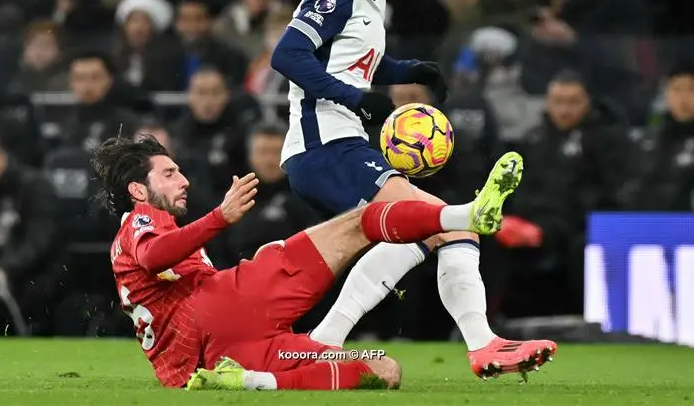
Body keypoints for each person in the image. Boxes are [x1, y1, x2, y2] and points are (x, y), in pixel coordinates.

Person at [270, 0, 556, 379]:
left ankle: (327, 340)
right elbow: (289, 54)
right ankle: (477, 331)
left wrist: (408, 70)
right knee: (436, 221)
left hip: (344, 147)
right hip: (324, 149)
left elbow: (353, 60)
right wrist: (355, 99)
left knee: (441, 231)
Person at [94, 135, 534, 390]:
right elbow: (153, 257)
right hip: (226, 307)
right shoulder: (142, 219)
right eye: (169, 173)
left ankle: (247, 382)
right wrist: (220, 217)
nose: (183, 179)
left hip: (218, 356)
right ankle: (465, 216)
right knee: (360, 221)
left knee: (379, 368)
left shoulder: (138, 233)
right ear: (137, 190)